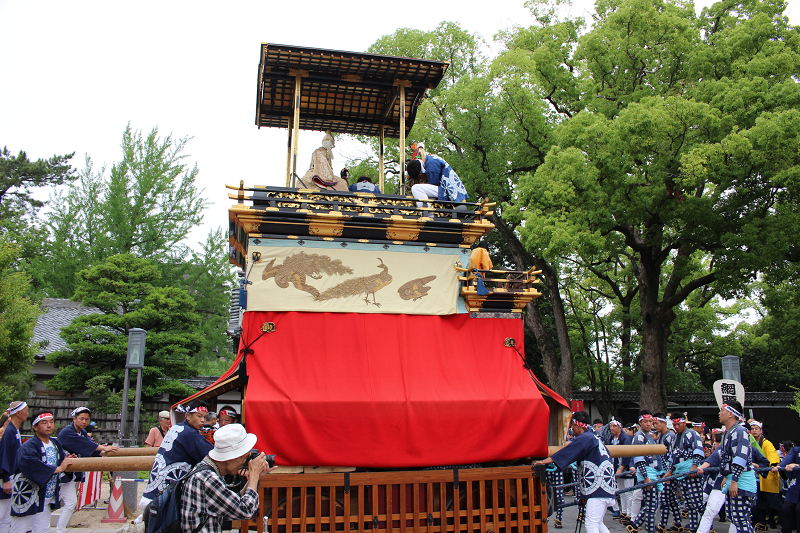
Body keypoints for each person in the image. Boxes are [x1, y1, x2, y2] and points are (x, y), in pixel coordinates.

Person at [179, 424, 276, 533]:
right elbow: (245, 511)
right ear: (230, 459)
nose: (245, 463)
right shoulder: (207, 479)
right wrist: (253, 476)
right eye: (244, 458)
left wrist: (255, 478)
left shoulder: (206, 470)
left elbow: (233, 504)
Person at [534, 411, 617, 533]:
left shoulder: (585, 438)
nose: (571, 429)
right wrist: (585, 496)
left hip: (598, 487)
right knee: (598, 522)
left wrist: (543, 462)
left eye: (572, 426)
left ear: (578, 426)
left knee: (591, 523)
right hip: (604, 485)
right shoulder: (594, 436)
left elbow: (566, 452)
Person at [140, 400, 214, 509]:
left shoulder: (176, 428)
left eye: (205, 417)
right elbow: (211, 456)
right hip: (167, 492)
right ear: (188, 416)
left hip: (155, 486)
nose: (203, 420)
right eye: (199, 416)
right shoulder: (189, 433)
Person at [55, 407, 119, 533]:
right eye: (81, 419)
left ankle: (59, 530)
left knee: (70, 503)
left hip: (68, 473)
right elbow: (86, 445)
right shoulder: (67, 432)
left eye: (87, 419)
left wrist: (104, 454)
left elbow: (90, 448)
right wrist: (103, 449)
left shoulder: (82, 433)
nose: (84, 422)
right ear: (74, 419)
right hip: (56, 472)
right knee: (49, 503)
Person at [697, 401, 757, 533]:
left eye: (722, 411)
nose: (719, 413)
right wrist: (726, 476)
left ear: (730, 414)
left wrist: (734, 480)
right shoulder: (728, 433)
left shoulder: (739, 431)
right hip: (732, 479)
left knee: (740, 519)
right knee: (734, 517)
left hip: (740, 481)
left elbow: (740, 457)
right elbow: (724, 457)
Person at [10, 412, 73, 533]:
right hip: (28, 496)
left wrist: (68, 461)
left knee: (43, 530)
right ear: (35, 427)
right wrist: (58, 469)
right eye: (44, 423)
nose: (49, 425)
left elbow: (61, 461)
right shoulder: (29, 446)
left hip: (45, 497)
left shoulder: (55, 443)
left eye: (51, 422)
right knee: (19, 529)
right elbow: (30, 464)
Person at [664, 413, 706, 533]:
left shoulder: (692, 433)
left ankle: (707, 526)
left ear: (684, 423)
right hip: (680, 472)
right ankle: (693, 527)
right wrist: (669, 471)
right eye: (675, 424)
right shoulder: (675, 437)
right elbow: (673, 455)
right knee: (689, 503)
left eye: (679, 424)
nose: (676, 427)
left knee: (697, 502)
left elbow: (698, 450)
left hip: (691, 471)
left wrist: (694, 466)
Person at [625, 410, 663, 533]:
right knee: (651, 505)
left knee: (652, 506)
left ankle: (637, 526)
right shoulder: (639, 436)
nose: (648, 424)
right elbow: (639, 458)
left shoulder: (649, 436)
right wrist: (646, 476)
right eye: (645, 422)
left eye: (650, 421)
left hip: (652, 472)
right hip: (646, 473)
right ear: (640, 422)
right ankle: (642, 527)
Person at [0, 402, 28, 533]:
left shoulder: (15, 430)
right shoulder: (8, 431)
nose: (28, 413)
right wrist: (5, 479)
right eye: (26, 410)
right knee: (1, 515)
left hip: (12, 476)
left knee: (6, 518)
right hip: (5, 478)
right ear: (18, 413)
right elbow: (3, 455)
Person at [749, 420, 782, 531]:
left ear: (761, 431)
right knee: (758, 503)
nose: (754, 431)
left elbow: (772, 455)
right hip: (756, 478)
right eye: (752, 429)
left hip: (767, 475)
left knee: (774, 503)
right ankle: (761, 523)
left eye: (756, 429)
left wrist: (772, 465)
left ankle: (782, 522)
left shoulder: (766, 443)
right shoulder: (750, 443)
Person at [774, 442, 798, 533]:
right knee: (786, 509)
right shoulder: (796, 450)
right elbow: (786, 461)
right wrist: (779, 467)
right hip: (795, 486)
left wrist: (797, 466)